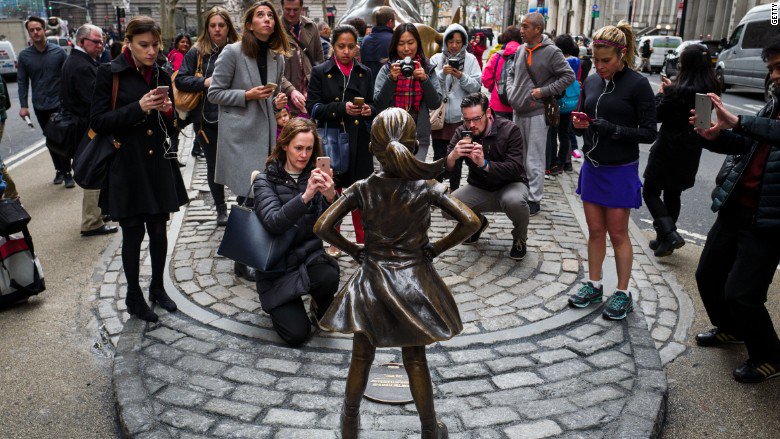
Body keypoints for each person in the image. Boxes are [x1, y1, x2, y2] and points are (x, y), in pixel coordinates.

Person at [314, 107, 480, 439]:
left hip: (371, 282)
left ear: (373, 149)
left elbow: (322, 226)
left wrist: (355, 251)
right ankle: (430, 430)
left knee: (361, 355)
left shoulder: (362, 188)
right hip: (414, 283)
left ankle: (349, 425)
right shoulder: (425, 186)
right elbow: (471, 221)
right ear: (413, 145)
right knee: (415, 358)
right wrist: (435, 249)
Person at [691, 36, 780, 384]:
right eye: (772, 68)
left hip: (768, 219)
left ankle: (769, 356)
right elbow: (747, 143)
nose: (774, 75)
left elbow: (765, 131)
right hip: (736, 207)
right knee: (708, 275)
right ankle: (730, 329)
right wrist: (714, 135)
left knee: (742, 294)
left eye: (779, 67)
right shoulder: (774, 103)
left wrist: (739, 122)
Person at [90, 16, 189, 323]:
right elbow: (98, 121)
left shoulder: (161, 71)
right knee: (133, 233)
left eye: (155, 45)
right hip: (127, 165)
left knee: (159, 230)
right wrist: (139, 108)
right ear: (129, 43)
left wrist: (169, 113)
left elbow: (171, 127)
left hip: (157, 164)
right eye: (144, 45)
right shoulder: (109, 72)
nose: (151, 51)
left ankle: (157, 287)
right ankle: (133, 296)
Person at [567, 22, 657, 321]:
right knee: (595, 231)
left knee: (618, 234)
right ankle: (593, 284)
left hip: (620, 169)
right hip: (593, 166)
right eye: (595, 60)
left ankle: (622, 292)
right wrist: (578, 125)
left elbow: (649, 133)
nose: (600, 66)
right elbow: (581, 120)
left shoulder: (638, 84)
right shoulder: (592, 80)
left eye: (606, 60)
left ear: (622, 55)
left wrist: (615, 130)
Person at [208, 1, 291, 282]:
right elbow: (215, 93)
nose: (267, 19)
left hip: (266, 135)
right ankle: (243, 259)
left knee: (261, 195)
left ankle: (250, 255)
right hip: (240, 137)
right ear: (249, 24)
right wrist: (246, 95)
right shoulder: (233, 52)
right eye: (260, 15)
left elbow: (271, 98)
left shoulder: (277, 58)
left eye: (270, 15)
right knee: (248, 195)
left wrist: (277, 102)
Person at [254, 117, 339, 346]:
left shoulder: (315, 176)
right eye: (298, 148)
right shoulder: (265, 180)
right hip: (277, 266)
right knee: (297, 335)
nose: (304, 155)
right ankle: (286, 303)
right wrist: (306, 196)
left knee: (329, 275)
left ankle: (319, 303)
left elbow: (328, 226)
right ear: (284, 145)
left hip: (308, 257)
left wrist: (331, 197)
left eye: (309, 149)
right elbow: (274, 222)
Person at [643, 44, 720, 257]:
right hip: (690, 148)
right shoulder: (708, 88)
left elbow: (656, 115)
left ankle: (669, 234)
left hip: (667, 147)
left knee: (650, 191)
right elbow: (701, 122)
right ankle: (664, 240)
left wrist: (662, 93)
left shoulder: (676, 90)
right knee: (673, 193)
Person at [307, 24, 376, 256]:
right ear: (333, 47)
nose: (346, 51)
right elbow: (312, 108)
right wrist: (340, 108)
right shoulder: (320, 71)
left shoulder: (365, 72)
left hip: (360, 142)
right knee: (332, 192)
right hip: (332, 140)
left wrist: (368, 110)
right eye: (341, 46)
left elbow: (374, 103)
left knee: (361, 194)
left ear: (357, 47)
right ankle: (334, 240)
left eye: (350, 46)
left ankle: (363, 241)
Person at [175, 6, 240, 227]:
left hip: (236, 117)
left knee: (239, 164)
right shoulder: (197, 52)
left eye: (221, 25)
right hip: (206, 120)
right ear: (207, 28)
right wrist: (205, 82)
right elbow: (180, 79)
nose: (217, 29)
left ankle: (243, 205)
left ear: (228, 27)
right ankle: (221, 208)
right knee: (214, 165)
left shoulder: (239, 49)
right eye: (213, 25)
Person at [506, 13, 575, 216]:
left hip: (537, 112)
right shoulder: (520, 49)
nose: (521, 30)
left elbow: (569, 76)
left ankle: (534, 199)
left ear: (538, 29)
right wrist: (510, 92)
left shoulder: (552, 52)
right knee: (519, 155)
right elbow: (511, 73)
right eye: (521, 26)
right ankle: (521, 192)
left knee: (534, 157)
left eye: (526, 26)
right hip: (518, 110)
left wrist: (544, 91)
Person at [446, 92, 530, 260]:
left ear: (488, 113)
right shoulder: (462, 132)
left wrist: (484, 164)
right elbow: (446, 169)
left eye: (476, 119)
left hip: (511, 184)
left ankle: (520, 237)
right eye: (466, 119)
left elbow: (515, 168)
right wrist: (452, 156)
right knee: (447, 207)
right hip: (479, 186)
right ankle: (478, 223)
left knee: (514, 201)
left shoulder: (509, 130)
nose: (471, 125)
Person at [61, 24, 118, 237]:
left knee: (96, 168)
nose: (100, 45)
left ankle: (99, 213)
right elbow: (94, 100)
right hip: (87, 127)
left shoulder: (79, 61)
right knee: (94, 168)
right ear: (82, 41)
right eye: (96, 42)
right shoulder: (80, 65)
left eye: (102, 42)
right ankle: (92, 221)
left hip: (83, 125)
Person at [374, 23, 443, 161]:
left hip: (419, 136)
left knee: (415, 173)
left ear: (417, 43)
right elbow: (379, 103)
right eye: (401, 44)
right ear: (395, 45)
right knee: (392, 173)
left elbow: (435, 103)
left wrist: (424, 80)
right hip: (390, 137)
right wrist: (391, 79)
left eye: (410, 43)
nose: (406, 48)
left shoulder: (427, 68)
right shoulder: (387, 69)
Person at [17, 16, 72, 187]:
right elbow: (22, 82)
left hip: (59, 104)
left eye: (38, 29)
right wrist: (24, 106)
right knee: (50, 139)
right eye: (32, 30)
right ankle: (59, 170)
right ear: (29, 33)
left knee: (61, 138)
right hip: (40, 104)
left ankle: (67, 173)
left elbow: (68, 77)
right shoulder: (24, 56)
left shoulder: (59, 52)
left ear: (44, 30)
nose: (35, 32)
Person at [430, 23, 482, 192]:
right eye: (451, 41)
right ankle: (437, 190)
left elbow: (476, 86)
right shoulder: (436, 59)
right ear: (445, 41)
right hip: (440, 117)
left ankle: (454, 191)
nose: (454, 45)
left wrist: (461, 76)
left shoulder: (470, 60)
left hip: (461, 118)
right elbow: (430, 85)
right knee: (439, 157)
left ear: (464, 43)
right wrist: (442, 73)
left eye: (458, 42)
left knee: (458, 157)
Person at [279, 0, 324, 117]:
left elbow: (319, 61)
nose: (292, 13)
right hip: (285, 99)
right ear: (282, 6)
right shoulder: (274, 29)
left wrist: (315, 87)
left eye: (295, 10)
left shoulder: (311, 26)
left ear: (302, 7)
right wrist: (290, 90)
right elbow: (273, 71)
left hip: (309, 96)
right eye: (288, 9)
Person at [546, 34, 581, 175]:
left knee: (553, 133)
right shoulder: (577, 61)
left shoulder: (558, 60)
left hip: (558, 100)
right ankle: (564, 162)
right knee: (565, 134)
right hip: (571, 101)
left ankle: (553, 163)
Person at [483, 26, 522, 121]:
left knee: (498, 129)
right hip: (519, 104)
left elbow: (486, 79)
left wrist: (494, 88)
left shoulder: (496, 56)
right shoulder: (526, 56)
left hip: (498, 104)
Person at [360, 6, 395, 82]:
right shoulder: (394, 39)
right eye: (394, 21)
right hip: (387, 83)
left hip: (367, 83)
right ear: (390, 22)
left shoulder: (365, 40)